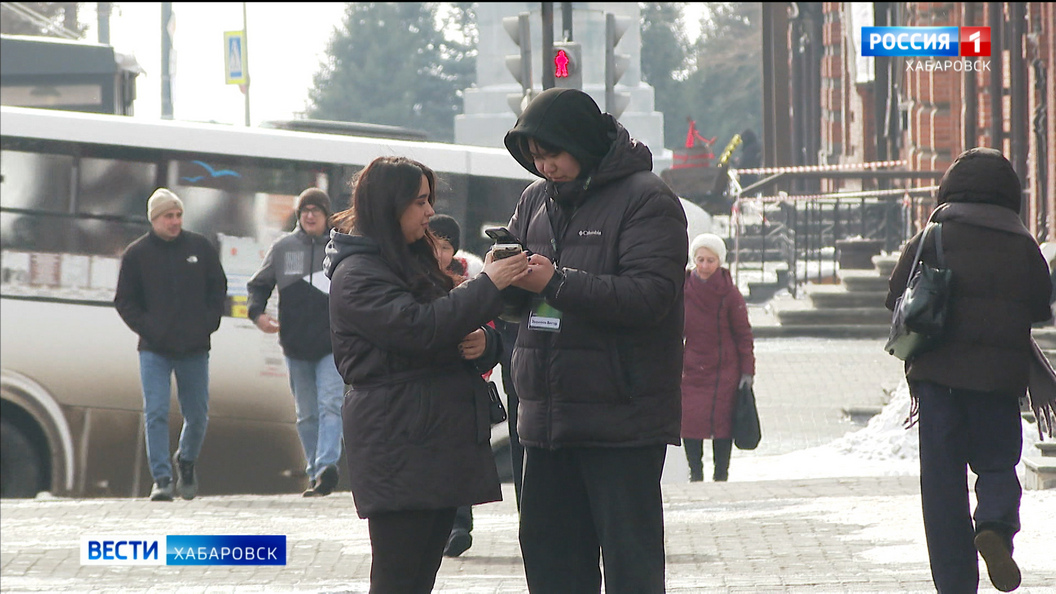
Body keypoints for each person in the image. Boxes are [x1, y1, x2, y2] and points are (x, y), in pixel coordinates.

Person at [501, 88, 688, 593]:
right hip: (545, 420)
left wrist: (556, 282)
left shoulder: (647, 198)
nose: (545, 168)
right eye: (535, 157)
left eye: (553, 155)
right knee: (551, 565)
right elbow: (517, 302)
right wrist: (504, 279)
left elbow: (650, 296)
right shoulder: (535, 199)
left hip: (620, 420)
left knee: (631, 567)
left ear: (581, 142)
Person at [323, 156, 529, 593]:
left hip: (431, 436)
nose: (430, 211)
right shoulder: (358, 272)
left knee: (420, 576)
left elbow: (450, 323)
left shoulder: (410, 259)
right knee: (398, 576)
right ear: (390, 204)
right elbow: (420, 329)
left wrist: (485, 342)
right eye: (420, 201)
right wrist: (488, 284)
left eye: (429, 200)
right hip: (398, 437)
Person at [885, 148, 1052, 594]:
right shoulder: (1022, 243)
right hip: (998, 381)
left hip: (936, 380)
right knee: (997, 462)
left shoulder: (932, 235)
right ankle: (995, 525)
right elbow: (1042, 304)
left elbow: (896, 293)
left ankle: (955, 583)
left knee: (942, 486)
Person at [114, 188, 227, 502]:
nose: (175, 221)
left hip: (194, 349)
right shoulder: (136, 254)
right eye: (168, 216)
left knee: (198, 415)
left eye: (178, 215)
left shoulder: (199, 247)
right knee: (156, 412)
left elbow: (218, 288)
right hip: (154, 350)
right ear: (154, 219)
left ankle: (186, 460)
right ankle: (161, 479)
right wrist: (150, 329)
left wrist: (207, 323)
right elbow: (124, 301)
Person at [247, 188, 344, 497]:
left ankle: (327, 467)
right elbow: (258, 285)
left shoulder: (340, 248)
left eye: (316, 211)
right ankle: (315, 471)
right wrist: (257, 314)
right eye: (305, 211)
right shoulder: (283, 248)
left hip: (332, 344)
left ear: (327, 215)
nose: (310, 216)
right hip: (296, 344)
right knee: (307, 413)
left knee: (331, 404)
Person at [681, 233, 755, 483]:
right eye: (700, 259)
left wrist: (747, 371)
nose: (704, 266)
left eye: (710, 260)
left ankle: (721, 474)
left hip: (724, 370)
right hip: (691, 368)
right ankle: (695, 474)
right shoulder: (683, 290)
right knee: (690, 422)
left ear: (720, 261)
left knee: (723, 424)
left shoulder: (729, 294)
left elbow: (743, 335)